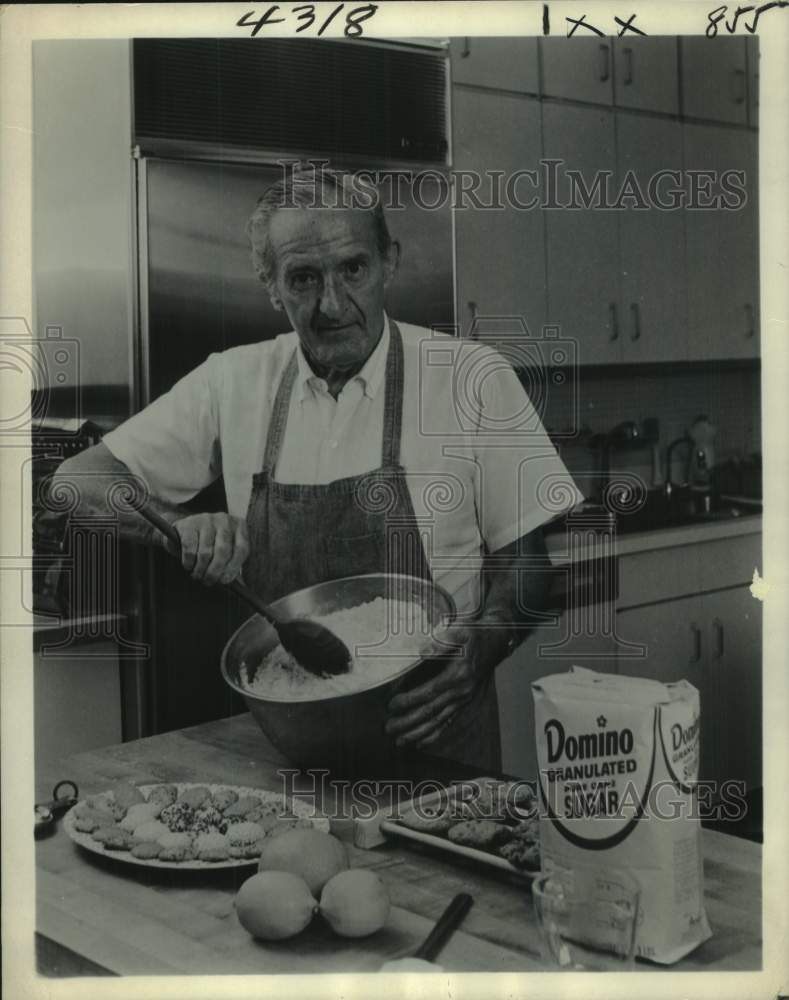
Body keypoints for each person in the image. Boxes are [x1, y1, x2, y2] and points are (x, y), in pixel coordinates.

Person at [55, 167, 583, 769]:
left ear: (390, 262)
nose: (332, 305)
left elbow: (527, 566)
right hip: (291, 746)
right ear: (270, 286)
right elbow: (75, 483)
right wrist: (176, 526)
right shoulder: (233, 382)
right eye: (303, 278)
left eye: (352, 269)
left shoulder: (472, 379)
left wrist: (479, 655)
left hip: (436, 739)